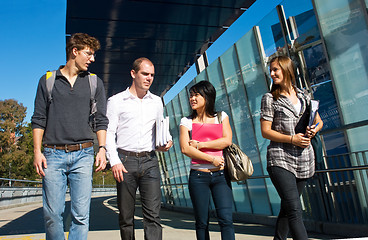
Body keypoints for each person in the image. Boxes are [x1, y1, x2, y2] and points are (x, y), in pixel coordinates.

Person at [31, 33, 109, 240]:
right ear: (75, 52)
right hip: (52, 155)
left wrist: (101, 149)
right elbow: (38, 119)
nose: (92, 59)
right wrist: (37, 152)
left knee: (81, 216)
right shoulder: (48, 81)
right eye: (89, 54)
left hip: (83, 155)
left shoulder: (94, 83)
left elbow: (100, 120)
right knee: (52, 215)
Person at [105, 57, 173, 240]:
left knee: (153, 216)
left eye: (152, 75)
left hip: (150, 161)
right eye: (145, 74)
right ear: (133, 74)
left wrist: (167, 141)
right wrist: (115, 162)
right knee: (126, 217)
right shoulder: (116, 101)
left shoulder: (157, 102)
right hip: (125, 163)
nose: (149, 78)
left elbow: (161, 128)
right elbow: (109, 133)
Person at [260, 55, 323, 240]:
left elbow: (319, 122)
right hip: (280, 158)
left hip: (303, 159)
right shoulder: (270, 98)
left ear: (287, 70)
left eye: (275, 70)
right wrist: (291, 139)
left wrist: (313, 130)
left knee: (288, 209)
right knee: (295, 209)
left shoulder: (304, 96)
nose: (272, 74)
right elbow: (265, 131)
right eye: (271, 70)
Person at [179, 81, 235, 240]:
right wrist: (212, 158)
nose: (192, 99)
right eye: (191, 95)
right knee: (202, 222)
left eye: (196, 95)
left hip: (221, 176)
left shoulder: (221, 116)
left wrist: (200, 144)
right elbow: (185, 149)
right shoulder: (186, 121)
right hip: (198, 177)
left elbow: (227, 141)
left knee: (226, 220)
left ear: (207, 96)